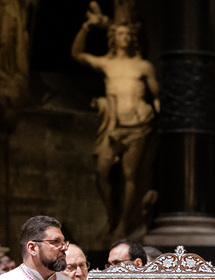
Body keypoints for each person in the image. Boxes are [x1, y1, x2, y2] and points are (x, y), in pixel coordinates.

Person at [71, 5, 159, 239]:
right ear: (113, 37)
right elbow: (78, 54)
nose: (125, 37)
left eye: (129, 34)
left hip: (138, 125)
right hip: (112, 126)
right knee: (102, 171)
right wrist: (86, 27)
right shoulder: (107, 63)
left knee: (130, 175)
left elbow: (157, 95)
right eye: (120, 33)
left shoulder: (143, 66)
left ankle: (122, 224)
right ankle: (112, 216)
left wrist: (157, 109)